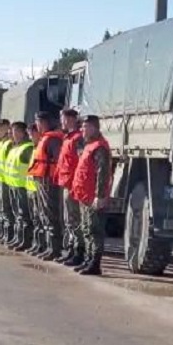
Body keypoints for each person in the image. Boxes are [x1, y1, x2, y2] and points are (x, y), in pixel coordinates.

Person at [71, 115, 111, 275]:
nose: (82, 129)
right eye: (82, 126)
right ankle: (88, 260)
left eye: (85, 126)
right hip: (84, 195)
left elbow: (103, 173)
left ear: (94, 128)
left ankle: (95, 263)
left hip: (93, 197)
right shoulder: (89, 145)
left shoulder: (99, 147)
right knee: (87, 229)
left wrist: (99, 196)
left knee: (95, 230)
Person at [27, 111, 65, 261]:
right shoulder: (45, 138)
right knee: (44, 214)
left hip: (49, 182)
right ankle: (48, 247)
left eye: (38, 122)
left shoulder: (52, 139)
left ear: (44, 123)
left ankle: (54, 248)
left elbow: (59, 160)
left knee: (51, 215)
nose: (37, 125)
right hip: (42, 180)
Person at [54, 109, 85, 266]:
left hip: (73, 185)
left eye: (64, 119)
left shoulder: (78, 138)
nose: (62, 122)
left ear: (71, 119)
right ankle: (71, 250)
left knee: (74, 220)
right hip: (65, 183)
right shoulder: (68, 138)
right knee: (68, 220)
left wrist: (76, 184)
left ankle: (79, 252)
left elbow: (81, 164)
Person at [4, 122, 35, 250]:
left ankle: (25, 240)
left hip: (22, 186)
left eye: (16, 131)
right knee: (17, 215)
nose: (13, 134)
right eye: (12, 131)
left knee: (24, 215)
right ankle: (18, 238)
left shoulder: (27, 148)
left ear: (23, 133)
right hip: (13, 185)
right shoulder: (15, 147)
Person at [25, 123, 45, 255]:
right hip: (31, 187)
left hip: (38, 189)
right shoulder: (34, 148)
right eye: (29, 134)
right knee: (35, 219)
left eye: (32, 134)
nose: (30, 137)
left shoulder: (41, 148)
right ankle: (36, 243)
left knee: (41, 218)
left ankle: (42, 245)